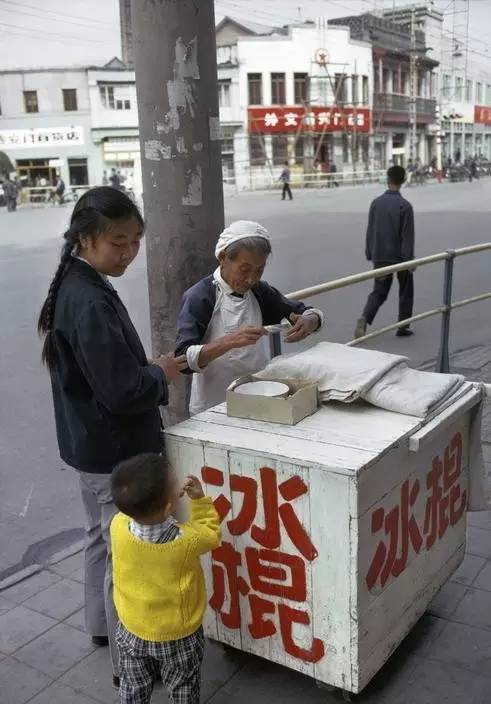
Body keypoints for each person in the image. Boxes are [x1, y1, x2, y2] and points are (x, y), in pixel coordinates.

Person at [37, 186, 187, 687]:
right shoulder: (88, 299)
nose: (128, 253)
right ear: (86, 239)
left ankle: (100, 627)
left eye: (135, 241)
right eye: (117, 243)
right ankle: (132, 657)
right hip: (112, 451)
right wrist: (161, 373)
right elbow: (122, 391)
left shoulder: (76, 284)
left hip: (86, 446)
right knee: (122, 556)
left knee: (99, 541)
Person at [175, 220, 324, 416]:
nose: (251, 279)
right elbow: (182, 359)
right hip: (214, 406)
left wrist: (310, 320)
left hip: (259, 396)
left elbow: (304, 311)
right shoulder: (201, 297)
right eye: (244, 270)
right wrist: (230, 341)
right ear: (222, 258)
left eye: (259, 270)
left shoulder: (259, 291)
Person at [110, 452, 220, 704]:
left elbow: (131, 511)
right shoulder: (187, 540)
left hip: (132, 629)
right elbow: (212, 534)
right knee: (183, 687)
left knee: (133, 686)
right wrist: (200, 501)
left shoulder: (117, 525)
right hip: (179, 636)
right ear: (171, 505)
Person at [354, 165, 415, 339]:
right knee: (406, 291)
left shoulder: (376, 203)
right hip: (400, 257)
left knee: (379, 291)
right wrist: (409, 261)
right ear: (403, 181)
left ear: (388, 180)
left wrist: (370, 252)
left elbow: (370, 230)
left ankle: (365, 318)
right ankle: (403, 326)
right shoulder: (405, 206)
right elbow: (407, 236)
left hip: (380, 255)